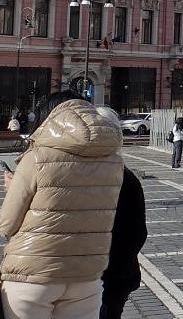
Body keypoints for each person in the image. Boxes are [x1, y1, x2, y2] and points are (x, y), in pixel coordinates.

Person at [0, 91, 124, 319]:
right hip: (87, 274)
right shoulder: (115, 161)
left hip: (33, 272)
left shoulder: (37, 156)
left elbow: (7, 223)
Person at [95, 105, 148, 319]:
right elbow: (138, 233)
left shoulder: (76, 175)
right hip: (118, 276)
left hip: (91, 275)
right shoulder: (126, 176)